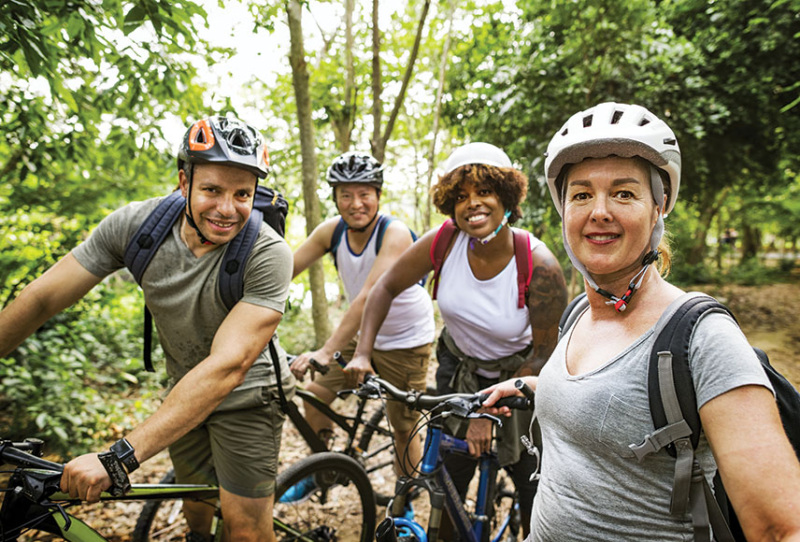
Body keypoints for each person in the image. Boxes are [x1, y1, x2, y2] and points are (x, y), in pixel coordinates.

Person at [481, 102, 800, 541]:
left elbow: (781, 528)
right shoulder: (578, 314)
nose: (600, 211)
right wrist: (534, 387)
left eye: (624, 193)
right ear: (563, 211)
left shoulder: (701, 339)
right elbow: (609, 398)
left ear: (658, 207)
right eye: (581, 194)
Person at [0, 115, 294, 542]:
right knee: (196, 509)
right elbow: (43, 298)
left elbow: (229, 366)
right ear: (183, 182)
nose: (228, 208)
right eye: (212, 189)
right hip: (184, 390)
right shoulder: (138, 228)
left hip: (250, 395)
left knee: (245, 528)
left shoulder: (268, 252)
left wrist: (118, 458)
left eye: (242, 194)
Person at [348, 142, 568, 535]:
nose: (473, 204)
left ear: (506, 197)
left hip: (520, 375)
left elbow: (545, 353)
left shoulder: (539, 263)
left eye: (484, 192)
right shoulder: (443, 242)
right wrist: (363, 353)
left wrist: (486, 412)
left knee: (532, 484)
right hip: (460, 369)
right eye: (462, 196)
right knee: (448, 488)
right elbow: (384, 288)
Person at [288, 151, 435, 510]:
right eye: (346, 195)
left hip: (405, 339)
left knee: (403, 425)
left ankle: (404, 504)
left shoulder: (395, 233)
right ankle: (323, 467)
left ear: (378, 195)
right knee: (315, 394)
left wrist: (325, 351)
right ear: (335, 198)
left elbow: (369, 294)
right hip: (360, 336)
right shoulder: (331, 232)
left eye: (364, 194)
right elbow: (283, 271)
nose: (356, 204)